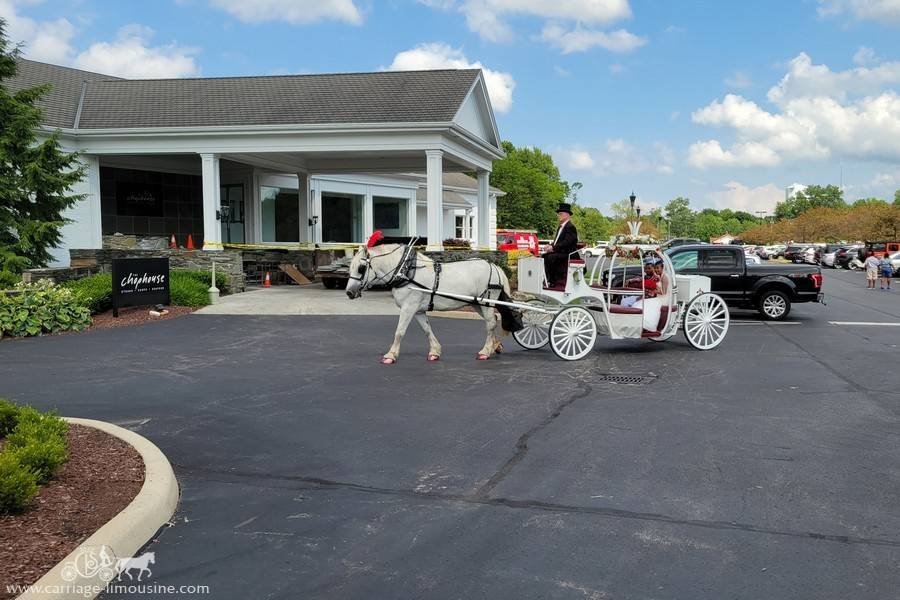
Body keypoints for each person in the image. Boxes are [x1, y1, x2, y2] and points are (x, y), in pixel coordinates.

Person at [542, 203, 578, 287]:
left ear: (567, 215)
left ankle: (552, 281)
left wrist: (553, 247)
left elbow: (567, 242)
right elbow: (558, 241)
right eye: (559, 214)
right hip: (562, 252)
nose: (559, 215)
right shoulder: (560, 227)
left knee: (551, 257)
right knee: (544, 256)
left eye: (561, 213)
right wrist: (550, 245)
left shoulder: (570, 227)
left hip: (569, 253)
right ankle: (547, 279)